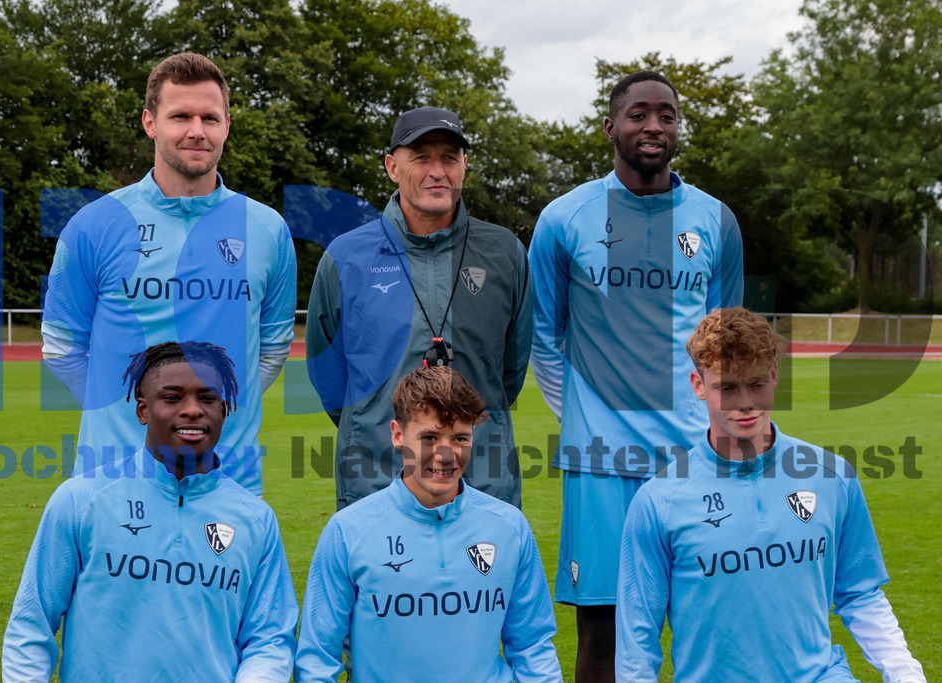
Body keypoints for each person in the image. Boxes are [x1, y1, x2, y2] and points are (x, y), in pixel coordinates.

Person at [528, 70, 744, 681]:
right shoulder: (564, 218)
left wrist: (717, 429)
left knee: (710, 617)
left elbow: (725, 342)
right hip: (601, 464)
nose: (654, 126)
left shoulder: (714, 220)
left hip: (694, 459)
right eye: (639, 114)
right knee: (604, 631)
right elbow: (543, 334)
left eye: (667, 116)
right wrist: (579, 412)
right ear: (610, 128)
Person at [616, 307, 926, 682]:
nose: (745, 403)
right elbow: (638, 635)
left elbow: (861, 593)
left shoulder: (832, 476)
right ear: (698, 385)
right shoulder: (658, 501)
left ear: (775, 376)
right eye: (727, 387)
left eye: (757, 383)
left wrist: (907, 674)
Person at [41, 52, 296, 494]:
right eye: (180, 116)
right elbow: (62, 347)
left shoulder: (268, 229)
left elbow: (271, 351)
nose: (197, 131)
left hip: (229, 483)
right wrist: (131, 413)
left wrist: (209, 405)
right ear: (150, 122)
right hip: (113, 483)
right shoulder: (94, 225)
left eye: (209, 118)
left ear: (227, 126)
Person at [2, 341, 298, 681]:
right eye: (172, 398)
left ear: (224, 409)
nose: (192, 410)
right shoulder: (80, 500)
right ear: (143, 410)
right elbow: (32, 623)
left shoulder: (255, 518)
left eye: (207, 398)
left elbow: (270, 639)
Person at [306, 106, 531, 510]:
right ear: (393, 166)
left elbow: (508, 376)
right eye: (421, 157)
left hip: (483, 488)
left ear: (464, 165)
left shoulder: (506, 253)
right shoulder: (346, 256)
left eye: (449, 157)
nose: (437, 171)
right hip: (375, 485)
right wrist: (376, 426)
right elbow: (329, 377)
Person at [294, 366, 561, 682]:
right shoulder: (348, 532)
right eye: (430, 437)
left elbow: (534, 648)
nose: (446, 454)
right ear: (397, 434)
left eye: (460, 437)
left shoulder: (509, 527)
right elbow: (316, 660)